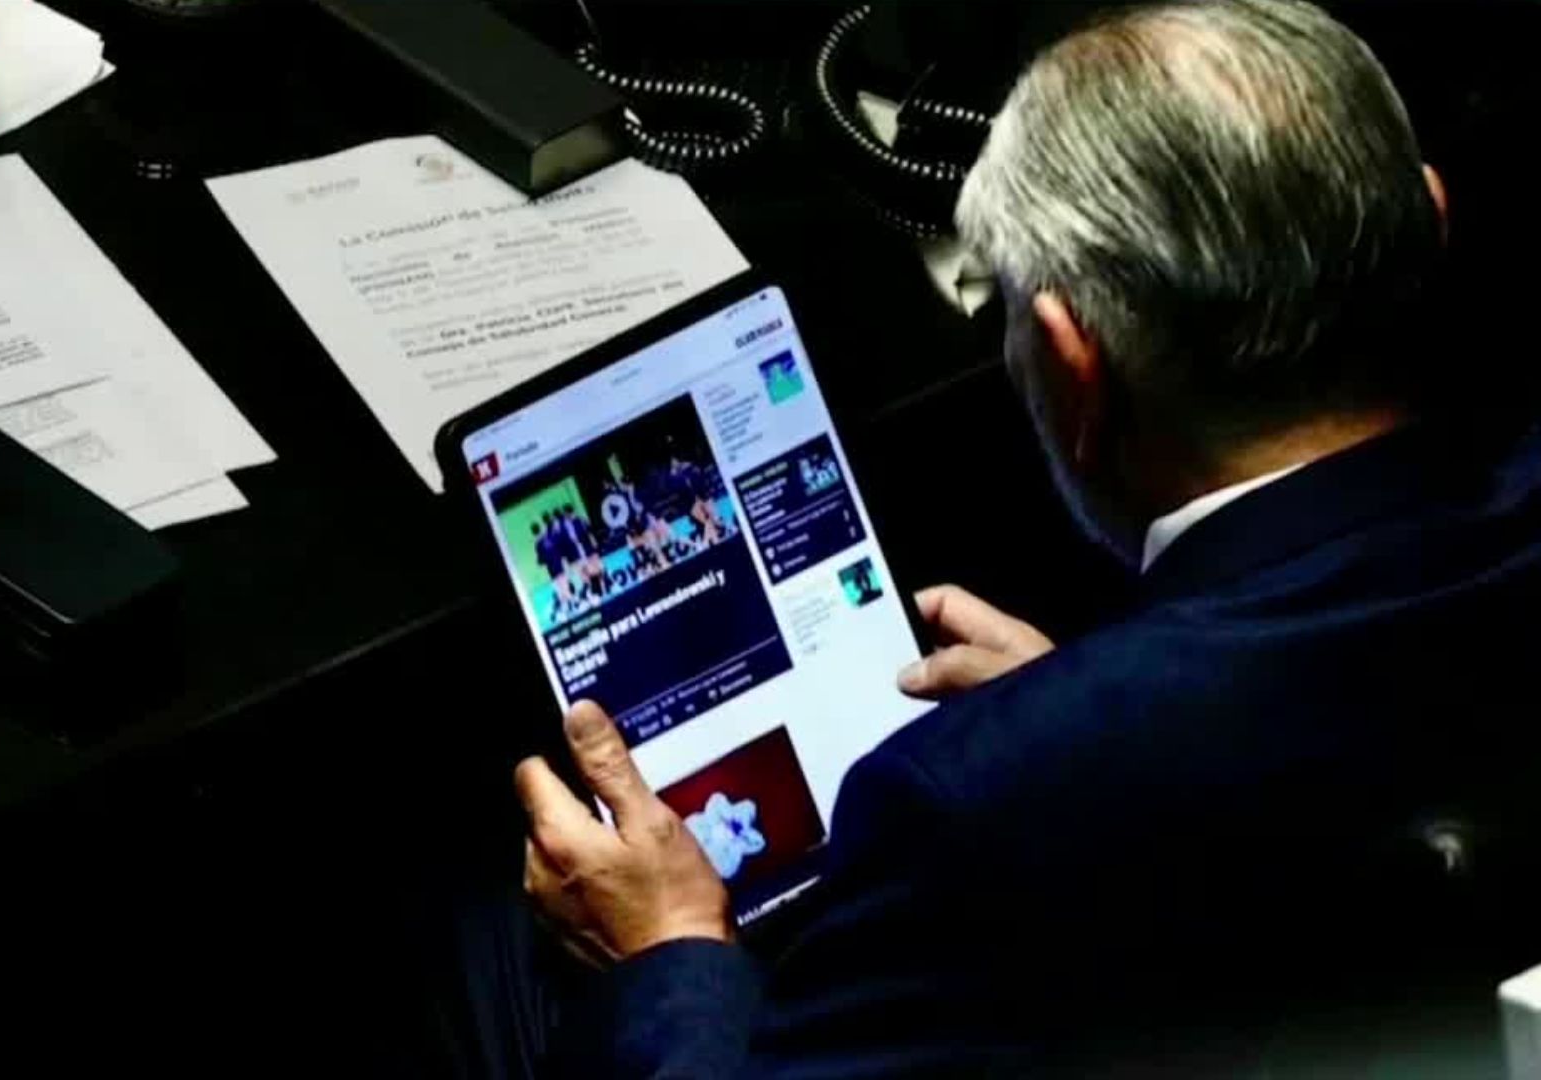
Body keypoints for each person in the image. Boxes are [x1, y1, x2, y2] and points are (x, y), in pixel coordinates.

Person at [454, 1, 1541, 1075]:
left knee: (476, 935)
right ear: (1428, 220)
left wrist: (669, 949)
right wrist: (1098, 705)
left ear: (1076, 366)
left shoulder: (967, 805)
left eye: (1012, 310)